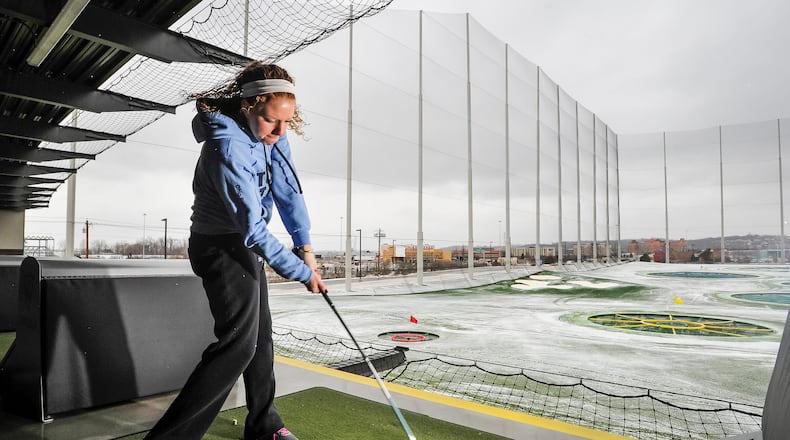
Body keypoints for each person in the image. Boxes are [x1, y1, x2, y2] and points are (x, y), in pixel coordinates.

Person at [145, 61, 326, 440]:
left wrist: (305, 248)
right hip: (219, 247)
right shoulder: (226, 147)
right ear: (247, 106)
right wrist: (301, 273)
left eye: (287, 122)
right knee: (237, 346)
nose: (280, 132)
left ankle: (265, 426)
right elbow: (253, 229)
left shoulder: (272, 135)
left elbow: (288, 190)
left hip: (242, 245)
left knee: (261, 340)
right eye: (270, 121)